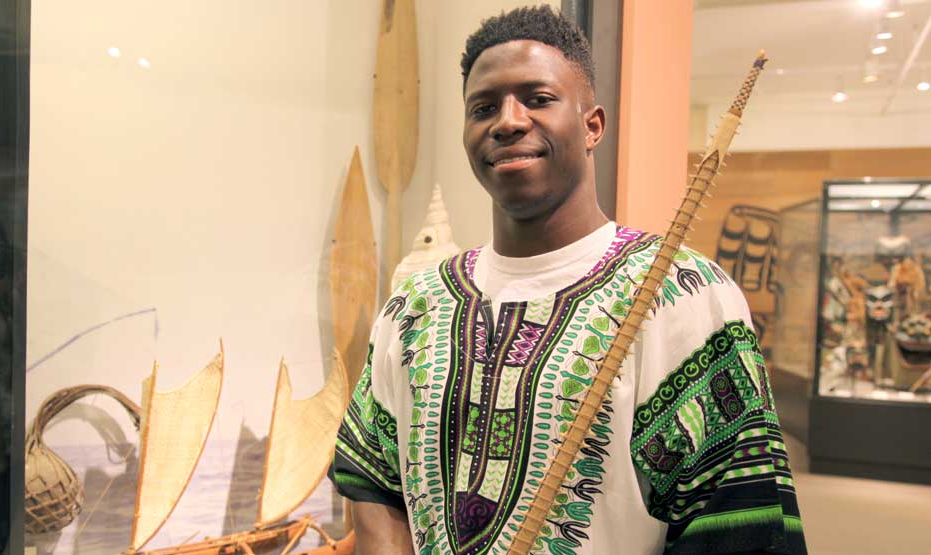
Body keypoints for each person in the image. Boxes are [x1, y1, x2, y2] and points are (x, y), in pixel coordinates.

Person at [329, 6, 805, 555]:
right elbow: (372, 477)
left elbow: (739, 523)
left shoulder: (684, 294)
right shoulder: (416, 304)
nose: (507, 120)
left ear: (592, 125)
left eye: (538, 98)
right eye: (483, 107)